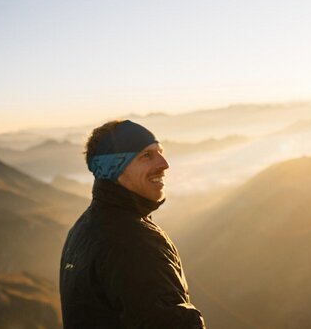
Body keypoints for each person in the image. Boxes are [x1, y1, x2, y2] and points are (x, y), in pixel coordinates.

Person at [60, 120, 206, 328]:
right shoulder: (133, 242)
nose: (164, 164)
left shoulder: (83, 228)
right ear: (114, 168)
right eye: (146, 155)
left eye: (160, 152)